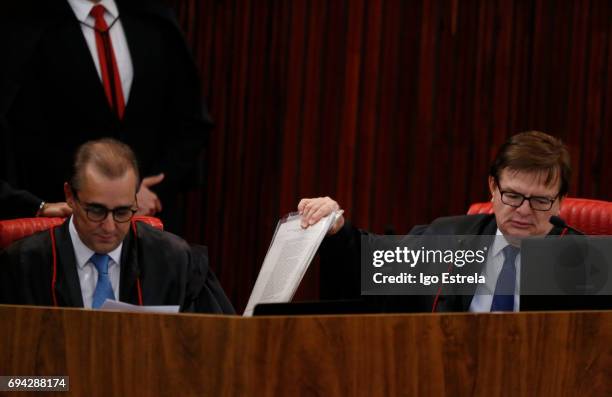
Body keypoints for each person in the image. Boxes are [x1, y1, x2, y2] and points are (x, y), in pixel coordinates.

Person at [298, 131, 604, 312]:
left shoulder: (582, 262)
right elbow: (372, 262)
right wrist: (336, 229)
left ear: (560, 201)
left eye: (539, 201)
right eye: (512, 195)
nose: (523, 210)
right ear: (493, 188)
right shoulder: (452, 239)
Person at [0, 0, 212, 232]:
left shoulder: (154, 18)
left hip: (148, 224)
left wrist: (145, 190)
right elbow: (19, 134)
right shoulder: (21, 24)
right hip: (58, 226)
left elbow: (189, 122)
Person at [0, 138, 234, 314]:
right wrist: (62, 383)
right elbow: (11, 378)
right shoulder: (24, 265)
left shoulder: (175, 262)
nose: (109, 227)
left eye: (122, 211)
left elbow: (212, 351)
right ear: (70, 196)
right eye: (96, 210)